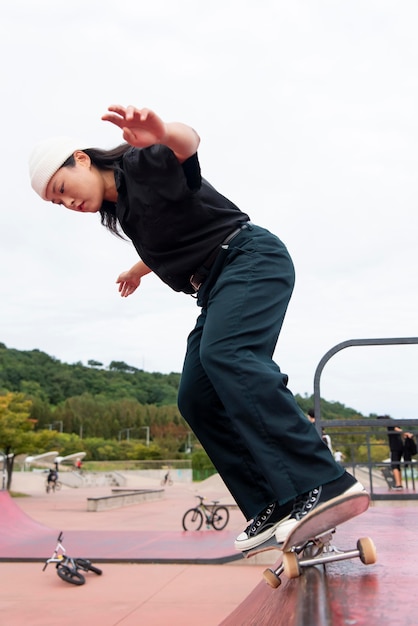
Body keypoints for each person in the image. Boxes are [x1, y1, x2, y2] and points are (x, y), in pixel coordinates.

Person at [28, 104, 365, 551]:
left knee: (228, 356)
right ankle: (277, 501)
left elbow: (187, 147)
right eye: (59, 203)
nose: (69, 202)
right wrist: (136, 270)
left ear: (82, 159)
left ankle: (325, 480)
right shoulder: (126, 210)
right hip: (215, 285)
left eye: (63, 187)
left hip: (249, 259)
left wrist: (162, 131)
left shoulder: (139, 164)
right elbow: (172, 239)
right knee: (196, 397)